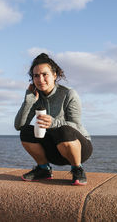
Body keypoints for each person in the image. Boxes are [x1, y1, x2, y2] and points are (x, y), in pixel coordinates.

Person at [14, 53, 92, 185]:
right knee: (26, 131)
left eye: (45, 74)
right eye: (36, 76)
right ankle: (44, 169)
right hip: (54, 150)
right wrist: (28, 101)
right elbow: (19, 126)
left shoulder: (69, 94)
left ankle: (77, 169)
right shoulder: (35, 97)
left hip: (78, 148)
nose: (40, 79)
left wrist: (54, 122)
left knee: (64, 130)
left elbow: (76, 125)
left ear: (54, 75)